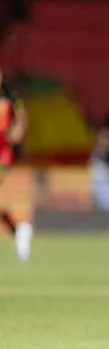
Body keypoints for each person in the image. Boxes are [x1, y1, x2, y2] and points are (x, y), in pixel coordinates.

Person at [0, 67, 32, 261]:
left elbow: (21, 118)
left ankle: (19, 230)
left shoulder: (10, 98)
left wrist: (17, 132)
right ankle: (18, 229)